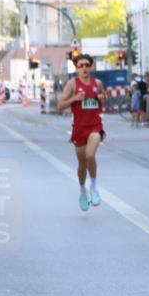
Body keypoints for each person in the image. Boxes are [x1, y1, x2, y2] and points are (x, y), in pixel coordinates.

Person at [56, 54, 106, 211]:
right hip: (79, 128)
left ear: (91, 67)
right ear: (77, 68)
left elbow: (103, 97)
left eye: (87, 65)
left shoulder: (97, 83)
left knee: (90, 155)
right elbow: (60, 106)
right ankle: (83, 191)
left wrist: (102, 97)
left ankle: (94, 187)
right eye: (81, 65)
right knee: (82, 164)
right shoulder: (72, 84)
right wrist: (75, 99)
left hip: (95, 126)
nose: (84, 68)